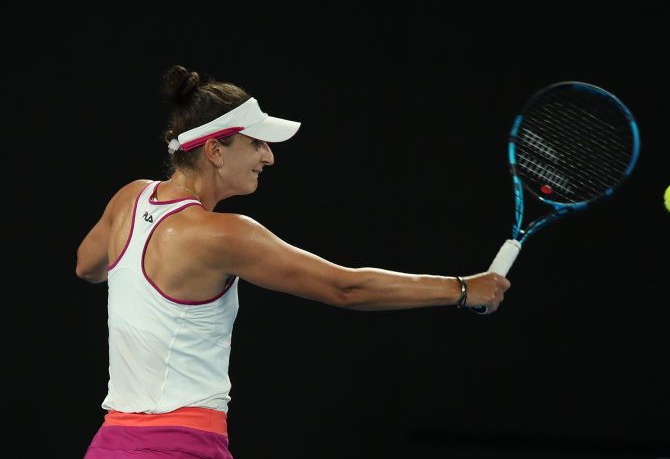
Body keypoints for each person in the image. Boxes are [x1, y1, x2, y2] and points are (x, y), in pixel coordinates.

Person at [75, 64, 511, 459]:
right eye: (256, 143)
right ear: (214, 151)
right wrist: (462, 288)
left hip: (111, 445)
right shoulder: (225, 235)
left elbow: (87, 267)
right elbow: (345, 287)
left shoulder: (129, 199)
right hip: (181, 447)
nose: (268, 156)